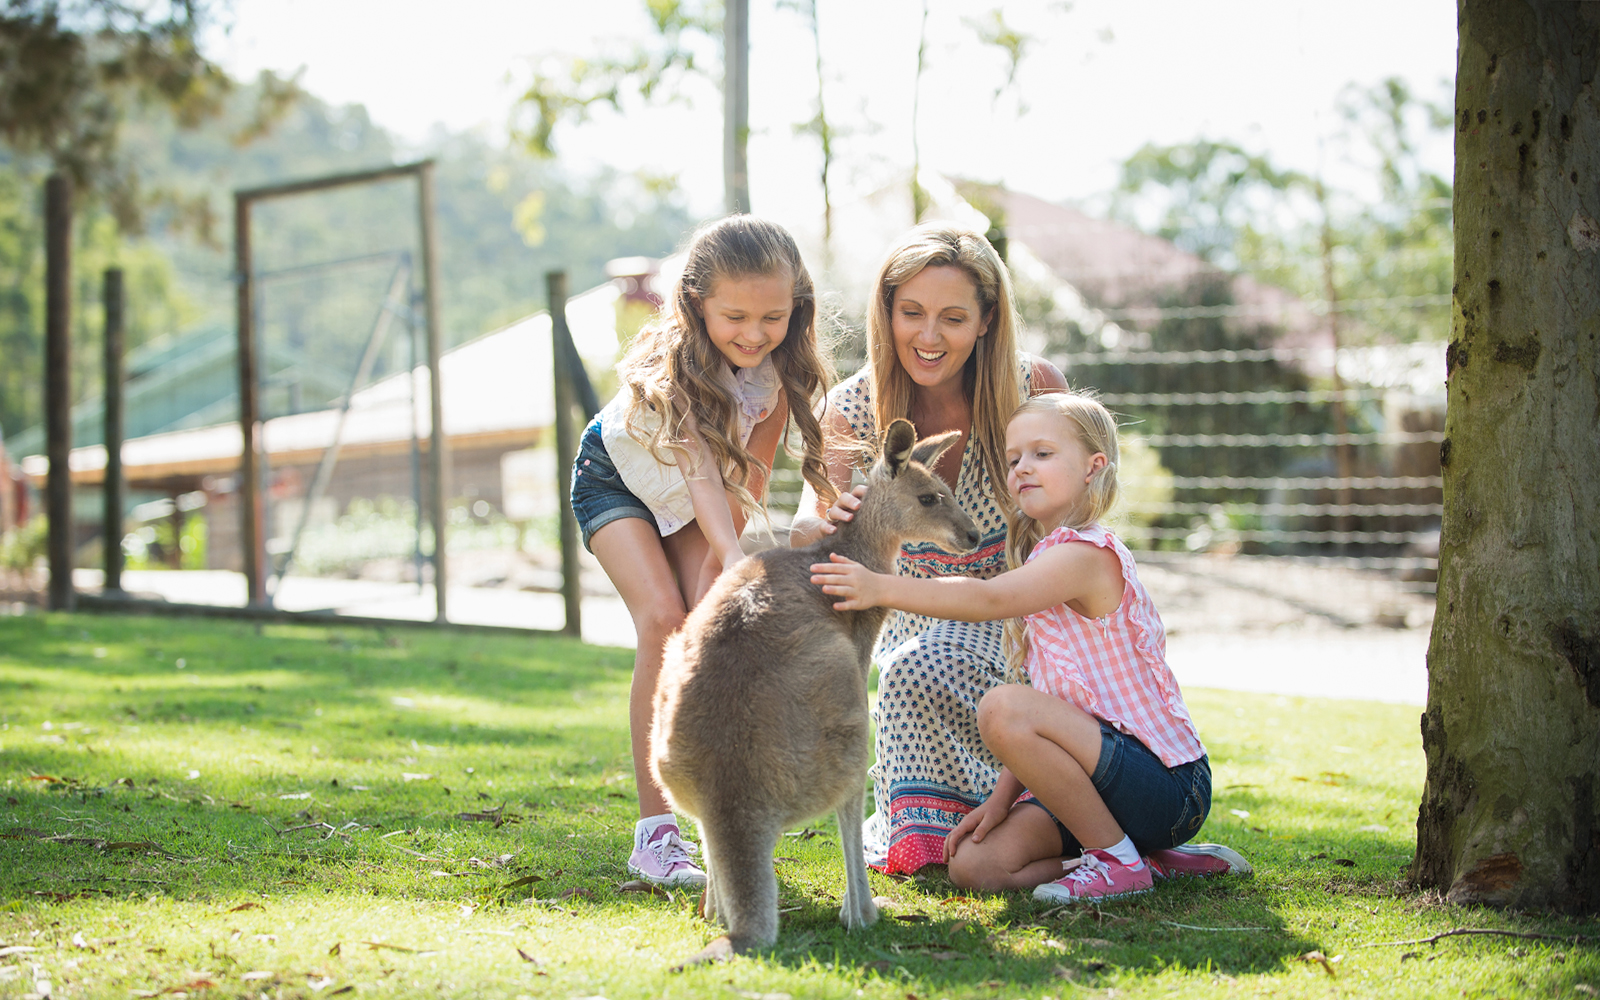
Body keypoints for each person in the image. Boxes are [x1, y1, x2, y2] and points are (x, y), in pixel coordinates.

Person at [810, 392, 1250, 901]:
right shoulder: (1043, 556)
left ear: (1093, 467)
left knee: (1002, 706)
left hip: (1166, 789)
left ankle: (1115, 862)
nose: (1022, 468)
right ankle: (1144, 860)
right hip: (1099, 787)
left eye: (1043, 453)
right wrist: (999, 804)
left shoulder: (1085, 553)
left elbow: (990, 596)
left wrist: (879, 587)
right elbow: (1059, 710)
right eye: (1014, 458)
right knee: (976, 867)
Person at [787, 222, 1067, 874]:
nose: (928, 336)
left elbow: (1079, 517)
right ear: (886, 312)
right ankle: (944, 836)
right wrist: (828, 518)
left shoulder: (1034, 388)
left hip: (1021, 621)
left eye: (952, 317)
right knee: (913, 662)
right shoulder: (853, 408)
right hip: (910, 619)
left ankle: (1035, 823)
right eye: (910, 312)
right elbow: (808, 520)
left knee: (916, 666)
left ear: (987, 320)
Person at [570, 216, 836, 886]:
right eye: (735, 316)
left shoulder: (777, 379)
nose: (753, 333)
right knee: (663, 621)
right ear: (696, 305)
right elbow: (697, 477)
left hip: (702, 500)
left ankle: (726, 822)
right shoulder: (681, 367)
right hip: (616, 479)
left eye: (773, 317)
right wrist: (740, 556)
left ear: (794, 307)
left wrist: (735, 569)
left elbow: (741, 487)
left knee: (708, 634)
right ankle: (655, 836)